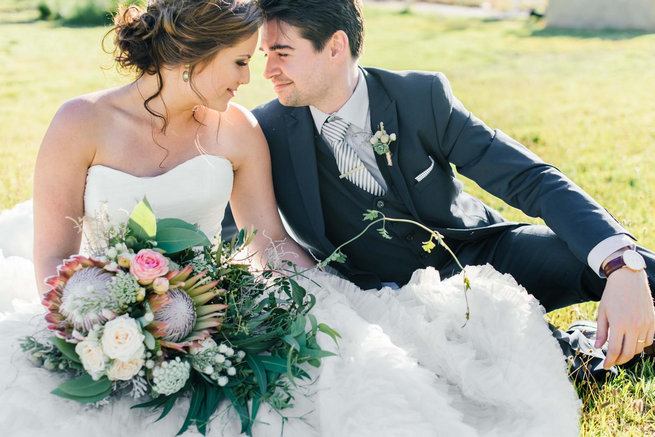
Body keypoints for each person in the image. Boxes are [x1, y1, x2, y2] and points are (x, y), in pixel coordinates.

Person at [0, 1, 580, 435]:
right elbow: (53, 256)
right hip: (98, 309)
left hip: (213, 311)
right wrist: (102, 324)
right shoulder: (81, 122)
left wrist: (328, 299)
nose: (251, 79)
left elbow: (269, 244)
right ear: (191, 57)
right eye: (239, 61)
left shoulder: (238, 131)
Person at [249, 0, 655, 371]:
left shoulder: (420, 97)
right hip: (392, 302)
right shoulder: (263, 132)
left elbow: (529, 177)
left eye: (282, 54)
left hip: (483, 257)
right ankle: (581, 351)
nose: (267, 71)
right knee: (541, 370)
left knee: (636, 270)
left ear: (335, 46)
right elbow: (247, 236)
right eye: (266, 55)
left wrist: (622, 264)